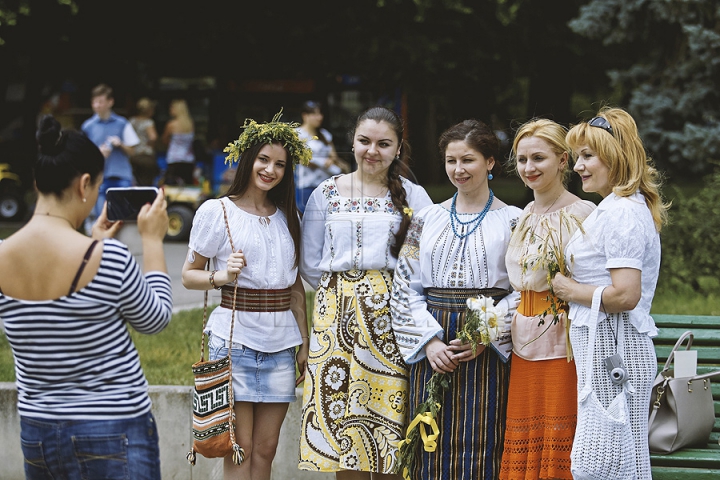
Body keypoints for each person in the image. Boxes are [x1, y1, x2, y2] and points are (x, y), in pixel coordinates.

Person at [0, 115, 172, 480]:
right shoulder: (110, 259)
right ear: (84, 184)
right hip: (115, 428)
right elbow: (156, 319)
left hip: (38, 433)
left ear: (36, 181)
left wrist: (95, 242)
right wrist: (153, 241)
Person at [298, 106, 433, 479]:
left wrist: (386, 294)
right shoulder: (325, 193)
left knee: (386, 425)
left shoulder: (415, 196)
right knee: (344, 430)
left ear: (398, 148)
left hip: (392, 319)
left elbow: (426, 259)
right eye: (364, 141)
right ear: (352, 142)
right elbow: (310, 262)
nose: (372, 150)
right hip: (335, 321)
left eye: (383, 143)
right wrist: (343, 296)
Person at [181, 112, 310, 480]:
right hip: (234, 341)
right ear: (248, 159)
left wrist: (304, 342)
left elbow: (296, 288)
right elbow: (188, 276)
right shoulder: (217, 211)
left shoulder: (289, 216)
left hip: (281, 344)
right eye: (264, 159)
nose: (270, 169)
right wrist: (224, 275)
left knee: (266, 450)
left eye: (280, 164)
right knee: (239, 449)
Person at [390, 119, 521, 480]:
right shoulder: (426, 219)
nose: (458, 170)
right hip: (433, 339)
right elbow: (404, 285)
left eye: (469, 160)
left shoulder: (514, 221)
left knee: (484, 438)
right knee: (430, 436)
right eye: (451, 161)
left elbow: (525, 291)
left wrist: (486, 335)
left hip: (486, 345)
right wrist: (429, 342)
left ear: (490, 162)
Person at [551, 107, 668, 478]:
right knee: (613, 462)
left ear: (614, 157)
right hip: (602, 347)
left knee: (605, 465)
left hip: (614, 349)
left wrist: (570, 289)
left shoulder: (622, 213)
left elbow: (625, 295)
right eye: (578, 157)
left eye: (588, 156)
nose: (578, 166)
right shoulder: (615, 207)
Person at [499, 119, 595, 480]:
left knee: (558, 435)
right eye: (522, 160)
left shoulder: (581, 214)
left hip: (561, 344)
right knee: (526, 433)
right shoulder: (524, 215)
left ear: (562, 160)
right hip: (524, 342)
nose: (529, 168)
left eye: (538, 158)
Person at [81, 83, 140, 229]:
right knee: (102, 216)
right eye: (94, 102)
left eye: (100, 102)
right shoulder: (88, 126)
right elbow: (82, 155)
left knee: (122, 218)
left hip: (122, 177)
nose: (97, 105)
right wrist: (97, 154)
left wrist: (120, 144)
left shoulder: (122, 124)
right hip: (99, 178)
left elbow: (133, 151)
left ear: (110, 102)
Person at [294, 100, 349, 213]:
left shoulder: (324, 134)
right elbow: (300, 158)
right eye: (315, 114)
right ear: (305, 116)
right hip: (307, 184)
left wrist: (331, 160)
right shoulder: (297, 134)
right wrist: (321, 163)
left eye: (320, 114)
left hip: (326, 184)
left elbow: (333, 155)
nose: (319, 117)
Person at [162, 99, 195, 185]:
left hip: (174, 158)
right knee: (187, 185)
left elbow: (164, 140)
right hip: (188, 159)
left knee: (171, 185)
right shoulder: (190, 124)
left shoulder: (171, 125)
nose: (170, 110)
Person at [129, 97, 160, 186]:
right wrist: (150, 144)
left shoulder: (132, 121)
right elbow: (153, 137)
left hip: (134, 155)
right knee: (146, 183)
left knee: (136, 182)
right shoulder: (148, 122)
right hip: (146, 156)